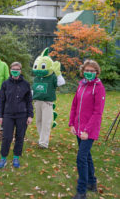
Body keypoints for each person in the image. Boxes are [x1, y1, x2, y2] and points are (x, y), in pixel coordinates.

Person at [69, 60, 105, 199]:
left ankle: (81, 191)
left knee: (81, 158)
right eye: (87, 70)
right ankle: (92, 183)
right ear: (83, 71)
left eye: (92, 71)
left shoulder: (99, 87)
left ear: (96, 72)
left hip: (89, 130)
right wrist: (72, 124)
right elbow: (74, 105)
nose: (89, 73)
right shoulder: (81, 85)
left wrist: (87, 131)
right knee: (87, 156)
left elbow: (98, 113)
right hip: (78, 128)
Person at [0, 62, 33, 169]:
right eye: (13, 69)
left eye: (17, 69)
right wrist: (0, 115)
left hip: (22, 115)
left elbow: (29, 101)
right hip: (8, 114)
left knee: (20, 137)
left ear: (20, 71)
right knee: (6, 137)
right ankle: (3, 157)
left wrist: (30, 115)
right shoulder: (5, 84)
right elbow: (2, 101)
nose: (15, 71)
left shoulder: (26, 84)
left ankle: (16, 157)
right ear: (10, 70)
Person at [32, 48, 65, 148]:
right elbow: (35, 89)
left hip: (47, 103)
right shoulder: (37, 77)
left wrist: (58, 73)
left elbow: (61, 83)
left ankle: (43, 142)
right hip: (37, 102)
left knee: (46, 122)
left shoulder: (52, 77)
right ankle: (41, 138)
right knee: (38, 121)